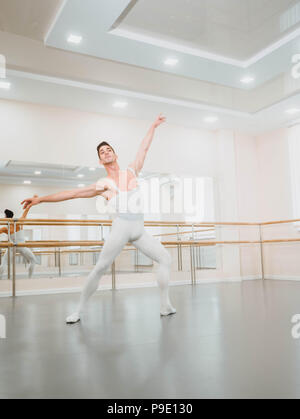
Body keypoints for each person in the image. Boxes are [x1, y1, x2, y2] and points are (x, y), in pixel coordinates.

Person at [21, 114, 176, 324]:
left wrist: (153, 126)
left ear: (115, 153)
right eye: (102, 152)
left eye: (108, 149)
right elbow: (71, 194)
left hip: (139, 230)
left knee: (165, 258)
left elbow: (144, 148)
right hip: (120, 229)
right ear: (100, 160)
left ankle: (165, 305)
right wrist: (40, 200)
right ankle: (78, 310)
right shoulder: (102, 184)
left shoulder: (131, 171)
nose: (106, 153)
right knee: (100, 268)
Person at [0, 201, 38, 279]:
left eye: (4, 216)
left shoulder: (5, 228)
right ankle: (30, 278)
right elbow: (25, 213)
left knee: (4, 263)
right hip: (21, 246)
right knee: (33, 260)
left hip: (12, 247)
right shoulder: (18, 223)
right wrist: (29, 206)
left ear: (6, 217)